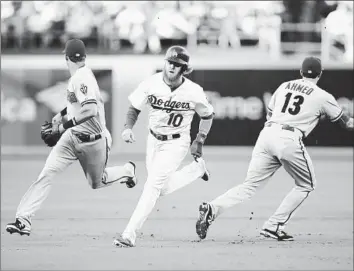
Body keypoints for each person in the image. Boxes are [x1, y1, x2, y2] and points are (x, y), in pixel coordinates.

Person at [196, 56, 353, 241]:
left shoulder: (285, 85)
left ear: (301, 72)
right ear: (320, 74)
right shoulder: (322, 96)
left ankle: (212, 209)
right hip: (289, 138)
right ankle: (273, 226)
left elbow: (270, 113)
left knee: (249, 186)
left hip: (267, 133)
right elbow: (347, 123)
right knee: (307, 184)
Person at [6, 39, 137, 236]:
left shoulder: (81, 78)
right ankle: (23, 219)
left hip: (94, 142)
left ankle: (127, 170)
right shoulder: (81, 75)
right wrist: (61, 115)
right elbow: (78, 104)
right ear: (83, 57)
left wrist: (62, 126)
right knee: (47, 173)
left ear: (66, 57)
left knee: (97, 182)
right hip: (71, 139)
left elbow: (91, 109)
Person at [113, 45, 214, 247]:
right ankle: (196, 170)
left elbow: (207, 115)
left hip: (177, 142)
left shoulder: (193, 91)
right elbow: (134, 107)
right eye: (170, 62)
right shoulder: (151, 83)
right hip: (154, 141)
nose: (172, 67)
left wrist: (199, 140)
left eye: (177, 65)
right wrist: (127, 128)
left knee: (152, 186)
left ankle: (129, 234)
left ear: (184, 69)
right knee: (161, 188)